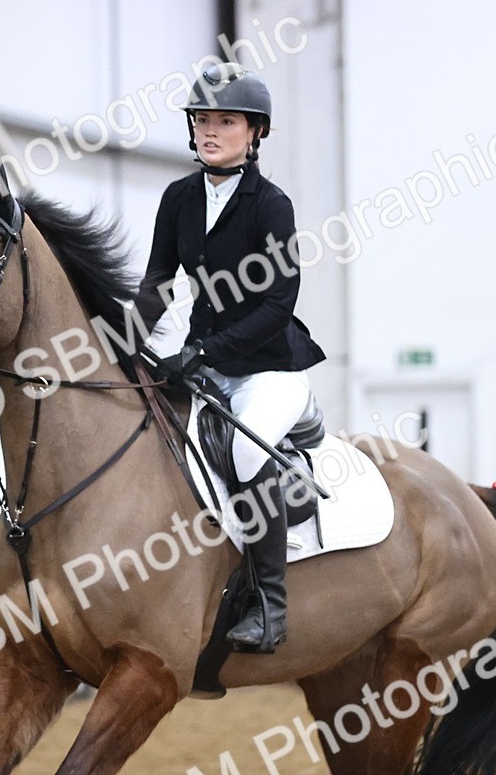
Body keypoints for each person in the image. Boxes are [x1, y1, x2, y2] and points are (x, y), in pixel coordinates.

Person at [139, 62, 325, 652]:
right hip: (203, 361)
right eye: (202, 121)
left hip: (270, 368)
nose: (210, 131)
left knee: (246, 447)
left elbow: (279, 302)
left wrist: (202, 351)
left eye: (226, 121)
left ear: (255, 133)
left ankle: (270, 605)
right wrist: (123, 346)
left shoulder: (271, 205)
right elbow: (156, 283)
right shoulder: (178, 199)